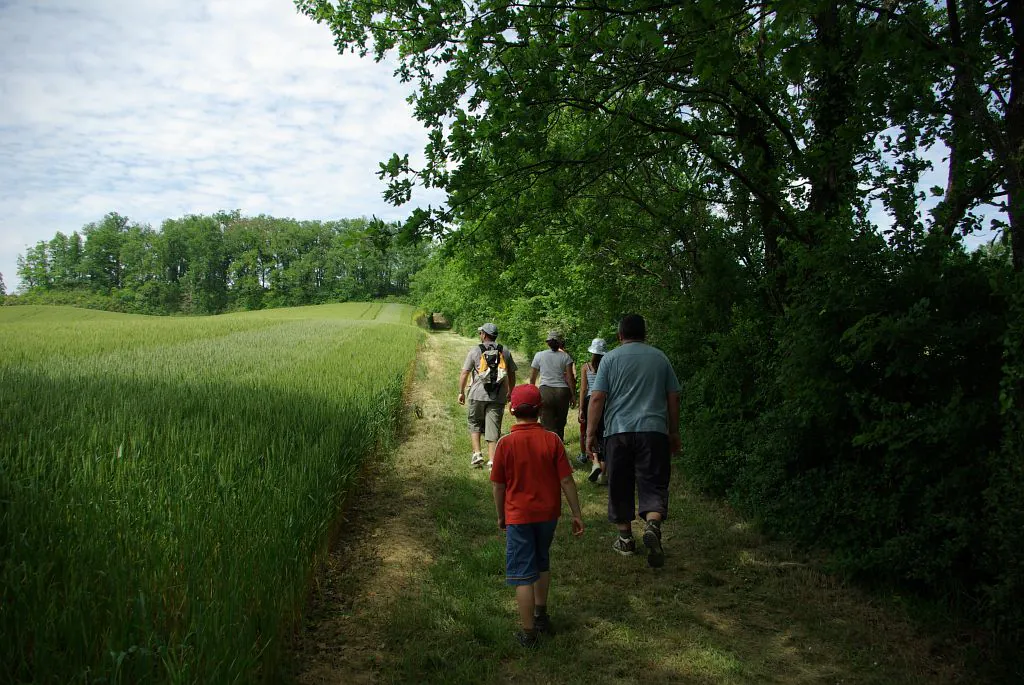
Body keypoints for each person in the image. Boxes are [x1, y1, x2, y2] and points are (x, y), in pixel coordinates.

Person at [490, 384, 585, 647]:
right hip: (548, 515)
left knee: (522, 572)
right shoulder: (552, 440)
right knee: (541, 561)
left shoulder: (505, 443)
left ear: (511, 410)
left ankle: (528, 633)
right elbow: (566, 481)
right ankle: (541, 615)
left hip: (518, 517)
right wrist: (576, 514)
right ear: (540, 409)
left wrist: (501, 516)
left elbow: (498, 486)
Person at [585, 314, 680, 568]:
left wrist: (590, 433)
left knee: (620, 482)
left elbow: (597, 398)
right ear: (645, 334)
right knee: (654, 481)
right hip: (654, 431)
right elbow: (673, 397)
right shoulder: (660, 358)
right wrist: (674, 432)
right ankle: (652, 523)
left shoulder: (611, 359)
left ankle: (625, 539)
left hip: (619, 432)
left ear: (620, 335)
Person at [459, 322, 517, 468]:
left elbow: (465, 372)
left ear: (484, 335)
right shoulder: (505, 351)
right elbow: (511, 373)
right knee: (493, 426)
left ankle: (477, 454)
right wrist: (511, 391)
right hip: (497, 395)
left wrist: (461, 392)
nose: (480, 335)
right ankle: (492, 461)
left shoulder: (475, 351)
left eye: (481, 333)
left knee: (475, 422)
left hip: (477, 393)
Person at [528, 331, 576, 443]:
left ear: (548, 343)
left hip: (545, 391)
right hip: (562, 392)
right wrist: (573, 395)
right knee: (560, 422)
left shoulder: (539, 355)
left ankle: (548, 445)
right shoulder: (566, 357)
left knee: (546, 423)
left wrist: (532, 392)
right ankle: (559, 444)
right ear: (560, 343)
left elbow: (532, 378)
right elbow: (570, 378)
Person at [577, 337, 608, 482]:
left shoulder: (586, 367)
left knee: (592, 431)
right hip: (605, 401)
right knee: (604, 432)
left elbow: (584, 389)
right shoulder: (608, 366)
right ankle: (604, 472)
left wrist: (581, 409)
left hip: (590, 401)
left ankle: (595, 460)